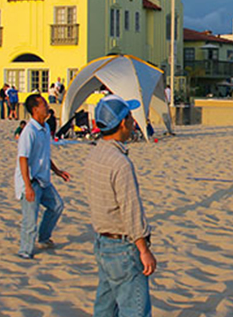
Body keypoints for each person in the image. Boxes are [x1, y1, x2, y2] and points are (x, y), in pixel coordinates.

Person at [86, 94, 156, 316]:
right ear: (122, 123)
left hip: (102, 242)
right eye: (130, 117)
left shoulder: (94, 154)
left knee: (105, 306)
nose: (133, 122)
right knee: (134, 309)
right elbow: (131, 212)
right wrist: (143, 250)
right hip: (122, 247)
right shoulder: (120, 163)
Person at [15, 94, 71, 259]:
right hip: (31, 181)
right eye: (44, 105)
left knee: (57, 206)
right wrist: (27, 186)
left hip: (43, 179)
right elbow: (23, 159)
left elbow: (44, 155)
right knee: (30, 219)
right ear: (35, 109)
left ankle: (44, 237)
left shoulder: (45, 128)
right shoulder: (29, 131)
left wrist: (58, 171)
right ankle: (25, 251)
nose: (47, 107)